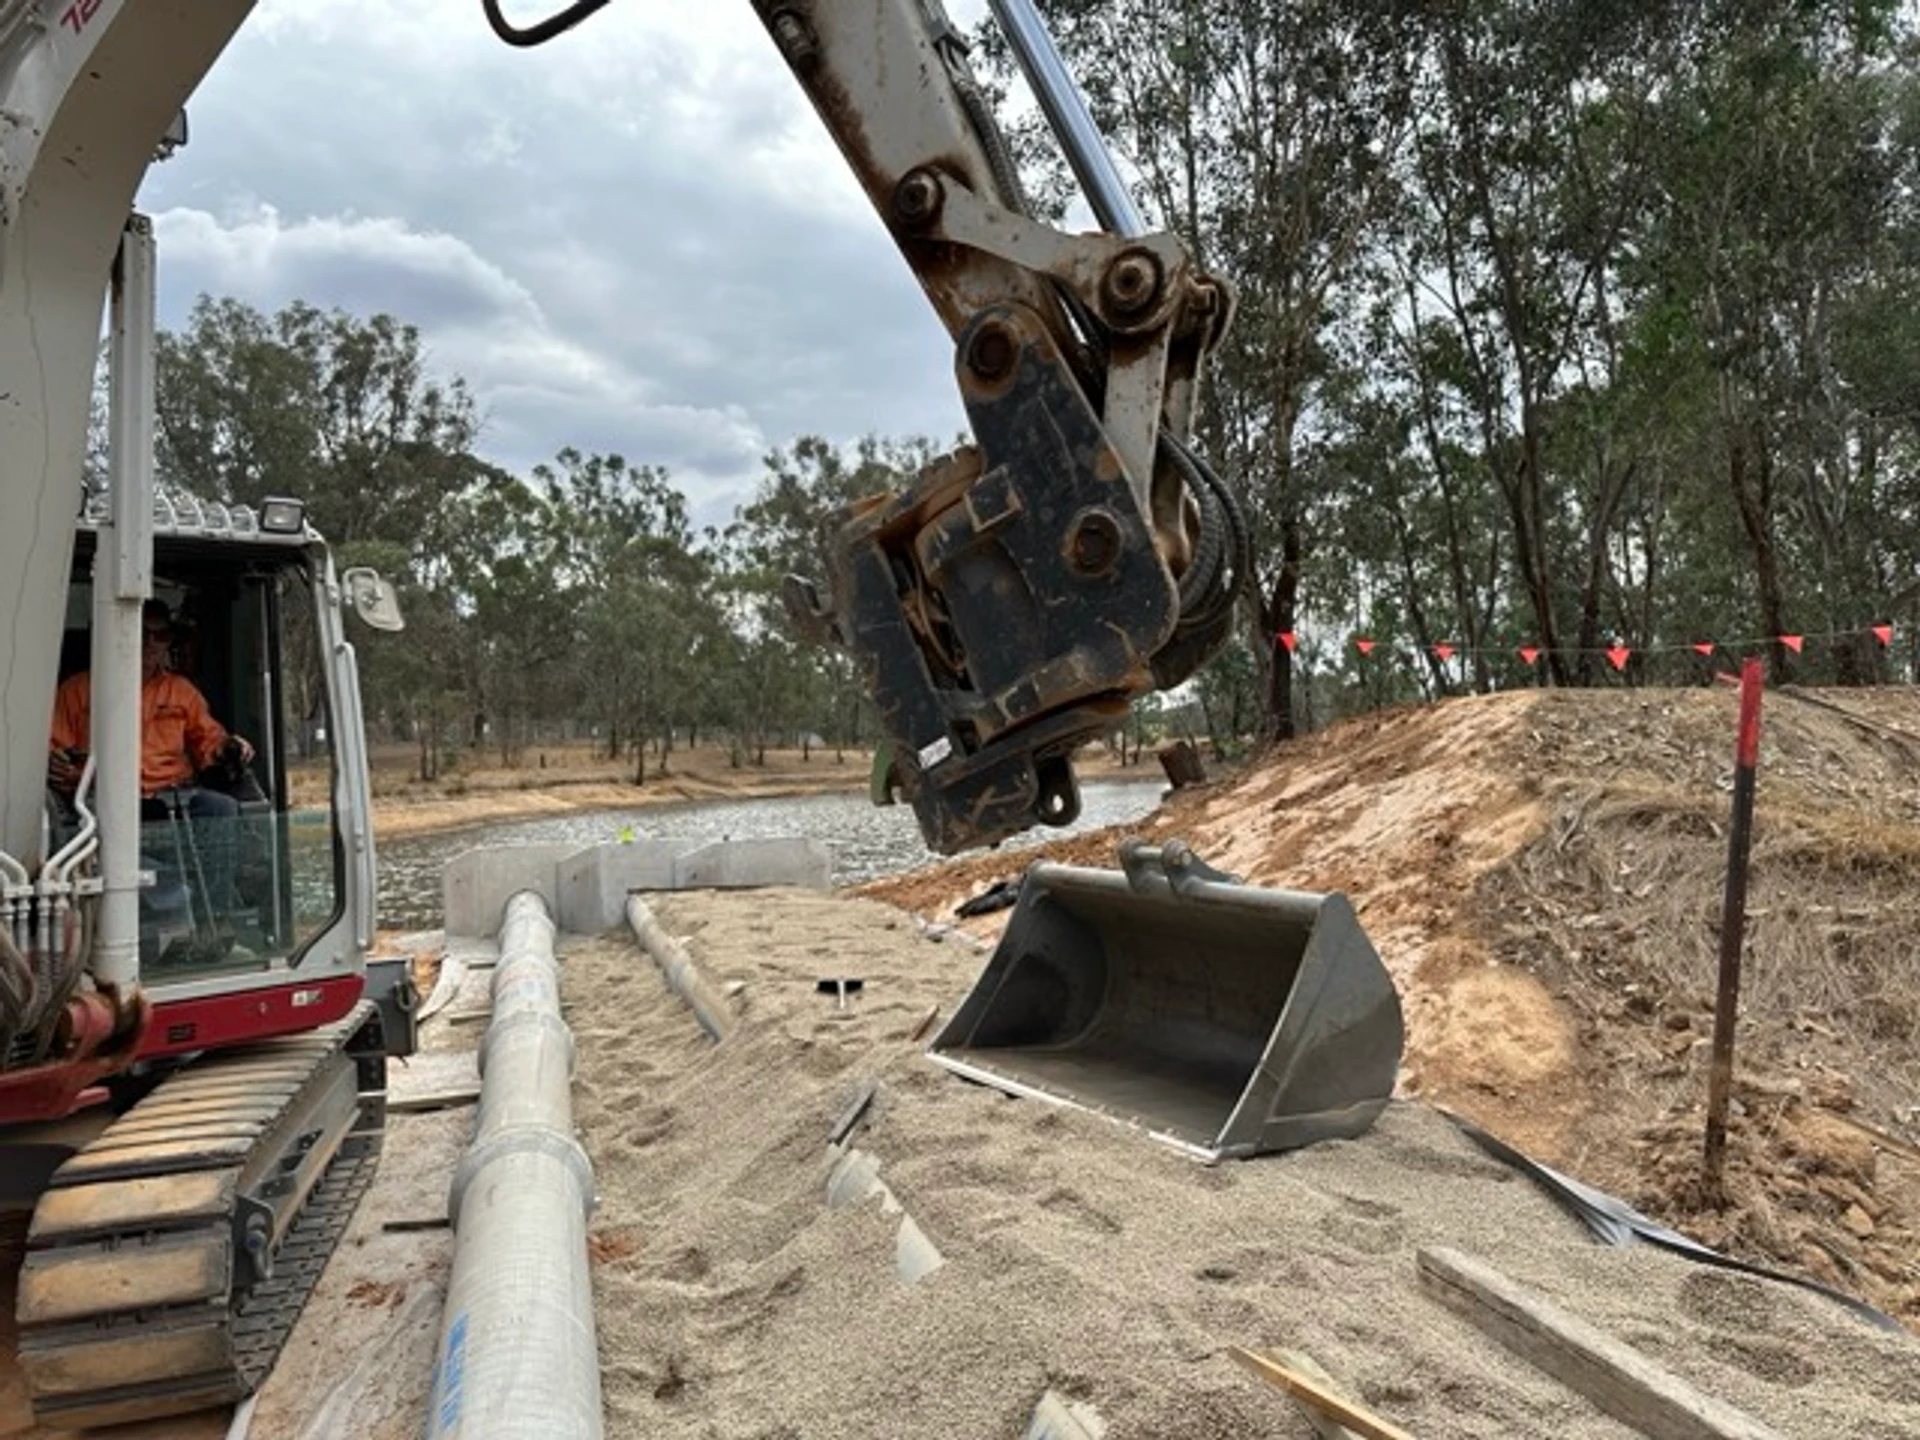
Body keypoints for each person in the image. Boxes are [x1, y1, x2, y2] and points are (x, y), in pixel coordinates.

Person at [48, 599, 256, 928]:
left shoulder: (182, 691)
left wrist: (228, 747)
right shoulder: (77, 690)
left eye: (160, 635)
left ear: (169, 642)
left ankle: (212, 922)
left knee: (221, 808)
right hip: (103, 802)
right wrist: (79, 775)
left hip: (172, 799)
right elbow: (54, 753)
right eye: (140, 632)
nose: (149, 643)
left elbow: (208, 742)